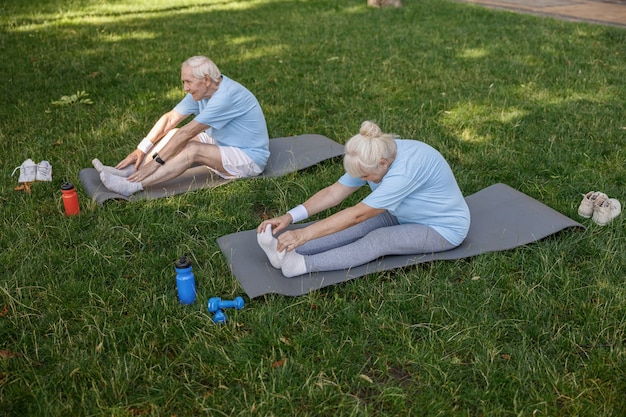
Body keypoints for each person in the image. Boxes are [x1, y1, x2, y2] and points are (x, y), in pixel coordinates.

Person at [256, 120, 470, 278]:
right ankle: (282, 252)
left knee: (379, 239)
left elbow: (358, 214)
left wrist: (305, 233)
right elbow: (333, 193)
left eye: (366, 177)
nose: (363, 180)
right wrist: (290, 217)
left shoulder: (404, 171)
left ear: (384, 164)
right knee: (354, 230)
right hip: (402, 214)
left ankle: (301, 265)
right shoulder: (372, 154)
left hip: (442, 228)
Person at [93, 56, 270, 197]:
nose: (185, 88)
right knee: (174, 133)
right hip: (221, 141)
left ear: (206, 79)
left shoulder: (225, 97)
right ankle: (132, 171)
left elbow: (188, 132)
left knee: (192, 149)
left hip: (249, 157)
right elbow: (170, 120)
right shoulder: (204, 91)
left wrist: (156, 163)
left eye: (188, 82)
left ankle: (132, 185)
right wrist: (141, 149)